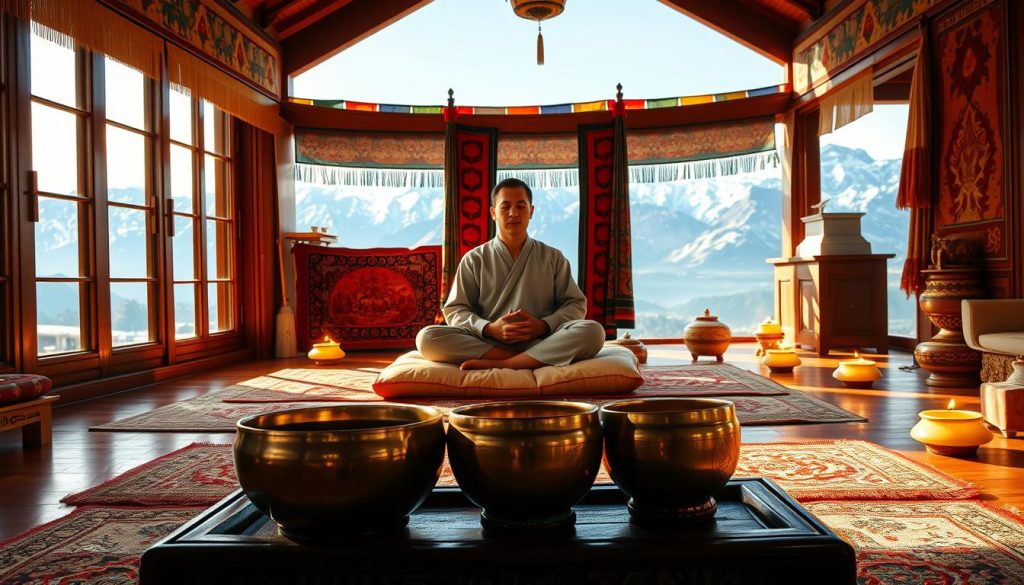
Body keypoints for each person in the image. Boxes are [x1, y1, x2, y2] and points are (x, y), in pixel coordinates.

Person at [416, 177, 606, 370]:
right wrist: (489, 328)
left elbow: (575, 304)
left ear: (531, 211)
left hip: (543, 340)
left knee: (593, 331)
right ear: (493, 213)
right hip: (490, 343)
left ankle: (506, 363)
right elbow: (456, 309)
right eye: (505, 207)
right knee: (427, 338)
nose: (513, 213)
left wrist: (543, 325)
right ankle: (527, 359)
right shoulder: (474, 259)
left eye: (520, 206)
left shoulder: (552, 257)